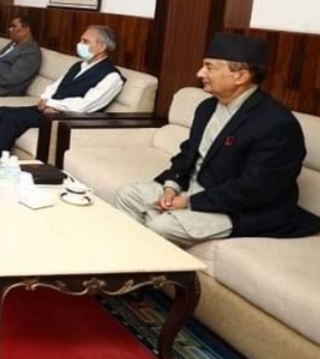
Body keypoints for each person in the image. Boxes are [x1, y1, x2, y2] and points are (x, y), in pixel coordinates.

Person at [113, 33, 320, 247]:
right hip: (192, 189)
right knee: (128, 195)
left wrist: (189, 202)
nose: (200, 73)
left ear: (241, 76)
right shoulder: (207, 107)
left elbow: (256, 188)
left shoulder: (276, 123)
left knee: (162, 226)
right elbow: (188, 153)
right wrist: (171, 187)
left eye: (209, 67)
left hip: (240, 208)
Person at [0, 26, 124, 161]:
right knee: (1, 111)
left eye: (85, 41)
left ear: (102, 47)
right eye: (81, 40)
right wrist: (45, 99)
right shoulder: (79, 65)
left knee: (12, 119)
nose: (80, 44)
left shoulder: (112, 76)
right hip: (49, 108)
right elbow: (55, 86)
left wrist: (52, 104)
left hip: (67, 118)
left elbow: (87, 105)